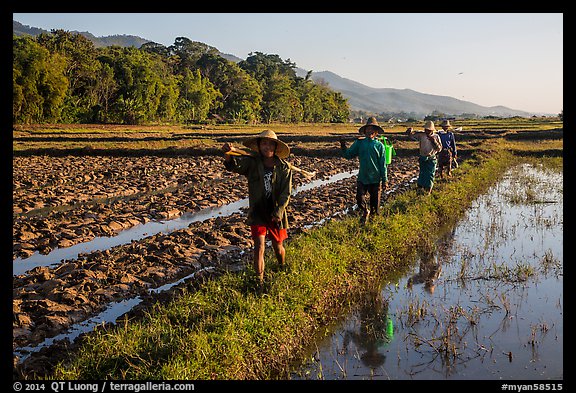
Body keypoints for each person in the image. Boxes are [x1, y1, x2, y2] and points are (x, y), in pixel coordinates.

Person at [221, 130, 293, 287]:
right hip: (258, 211)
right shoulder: (253, 163)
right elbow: (234, 166)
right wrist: (227, 154)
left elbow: (286, 193)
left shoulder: (284, 167)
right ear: (259, 146)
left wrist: (279, 211)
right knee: (259, 246)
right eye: (263, 143)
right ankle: (259, 282)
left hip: (275, 212)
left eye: (270, 144)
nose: (267, 147)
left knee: (278, 246)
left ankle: (282, 267)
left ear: (275, 146)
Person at [340, 117, 388, 224]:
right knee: (359, 199)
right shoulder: (359, 143)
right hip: (363, 177)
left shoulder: (380, 146)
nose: (370, 131)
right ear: (365, 131)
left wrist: (385, 180)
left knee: (375, 206)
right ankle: (366, 211)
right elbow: (348, 155)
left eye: (372, 129)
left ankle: (373, 226)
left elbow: (382, 164)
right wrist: (343, 145)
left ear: (376, 132)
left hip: (375, 178)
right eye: (368, 129)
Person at [406, 120, 443, 195]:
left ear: (432, 130)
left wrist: (434, 142)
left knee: (430, 174)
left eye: (428, 130)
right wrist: (409, 132)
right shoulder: (421, 135)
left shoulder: (436, 137)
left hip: (431, 158)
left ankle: (428, 190)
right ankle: (420, 188)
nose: (427, 131)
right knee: (422, 173)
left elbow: (439, 149)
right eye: (426, 130)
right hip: (422, 157)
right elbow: (412, 136)